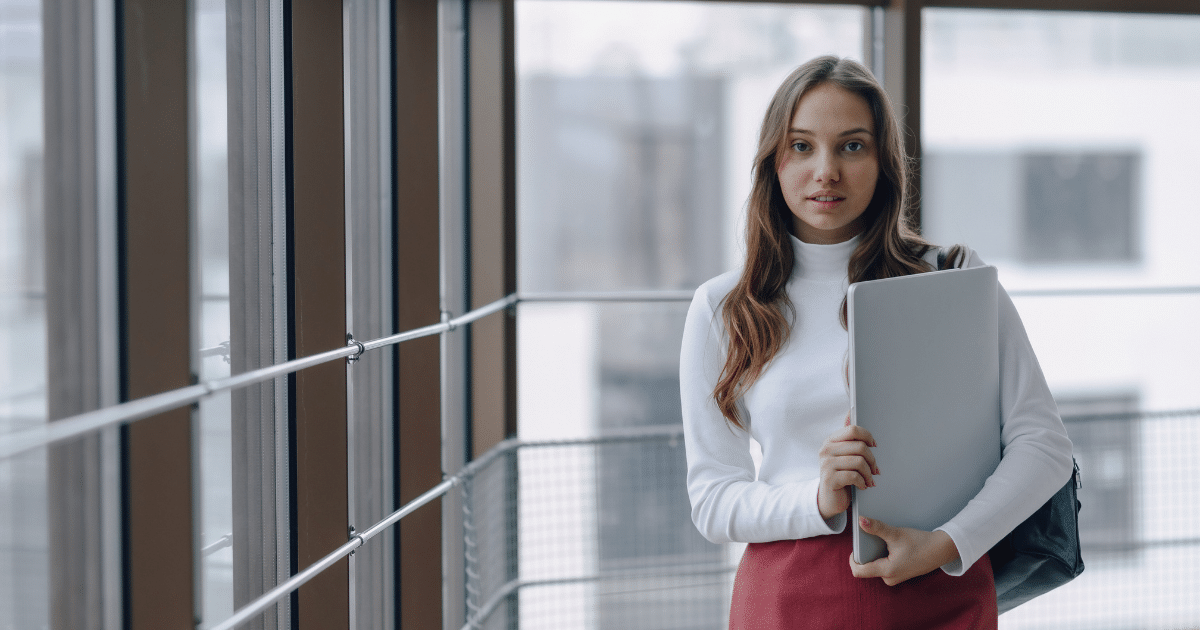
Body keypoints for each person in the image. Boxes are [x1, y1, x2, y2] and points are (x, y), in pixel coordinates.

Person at [679, 56, 1074, 629]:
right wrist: (817, 498)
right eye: (802, 146)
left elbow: (1043, 445)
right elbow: (713, 501)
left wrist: (948, 543)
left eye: (853, 146)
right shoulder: (724, 307)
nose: (827, 171)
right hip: (789, 596)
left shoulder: (950, 277)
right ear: (773, 161)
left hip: (937, 583)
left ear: (885, 161)